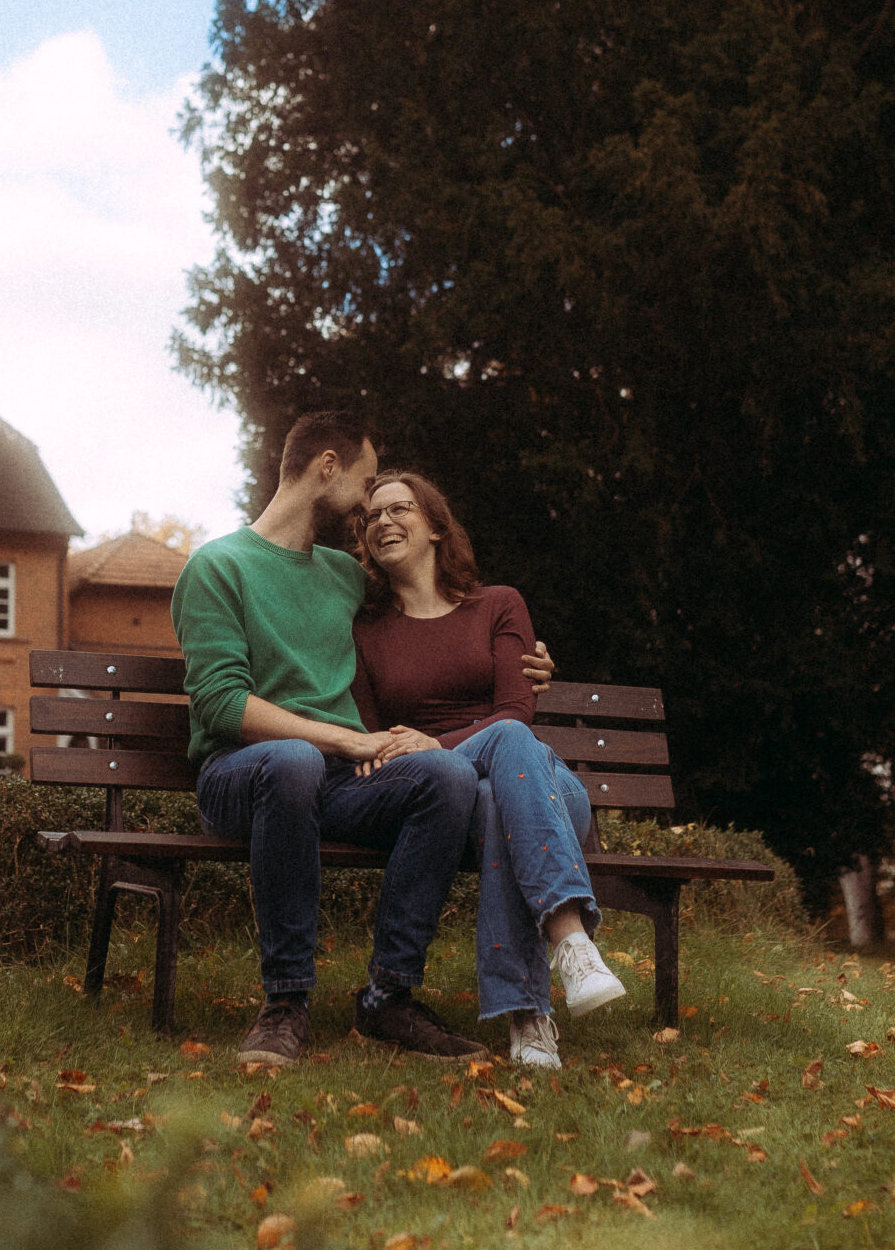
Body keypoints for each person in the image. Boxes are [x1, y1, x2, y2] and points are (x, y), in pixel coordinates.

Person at [173, 411, 547, 1072]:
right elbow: (222, 703)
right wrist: (345, 739)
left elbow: (438, 623)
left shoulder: (346, 577)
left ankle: (387, 996)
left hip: (337, 783)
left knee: (447, 777)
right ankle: (285, 1000)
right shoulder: (217, 566)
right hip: (240, 775)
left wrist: (525, 661)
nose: (368, 505)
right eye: (364, 482)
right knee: (289, 761)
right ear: (325, 468)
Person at [350, 470, 626, 1072]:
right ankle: (554, 974)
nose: (383, 523)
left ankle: (537, 993)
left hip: (545, 787)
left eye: (399, 509)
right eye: (371, 517)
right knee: (493, 804)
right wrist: (427, 756)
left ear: (434, 528)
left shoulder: (499, 604)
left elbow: (515, 711)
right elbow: (375, 741)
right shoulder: (365, 632)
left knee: (509, 742)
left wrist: (431, 743)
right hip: (460, 799)